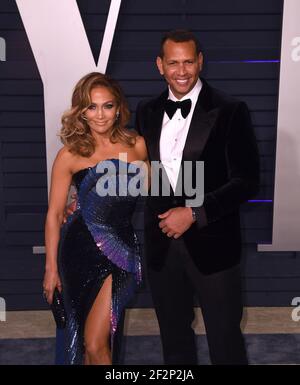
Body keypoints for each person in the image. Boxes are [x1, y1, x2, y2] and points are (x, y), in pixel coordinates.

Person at [135, 30, 260, 365]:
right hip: (162, 246)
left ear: (200, 61)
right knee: (174, 344)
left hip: (215, 246)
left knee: (225, 342)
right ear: (159, 65)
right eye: (173, 62)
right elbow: (139, 171)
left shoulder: (231, 110)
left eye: (188, 61)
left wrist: (193, 213)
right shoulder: (145, 111)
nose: (181, 70)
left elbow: (247, 182)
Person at [43, 72, 148, 365]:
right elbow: (53, 214)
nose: (100, 115)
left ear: (118, 109)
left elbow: (156, 189)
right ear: (81, 111)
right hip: (77, 252)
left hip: (119, 252)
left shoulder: (136, 145)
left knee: (96, 342)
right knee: (86, 345)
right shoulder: (70, 154)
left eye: (107, 106)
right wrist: (51, 268)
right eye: (92, 107)